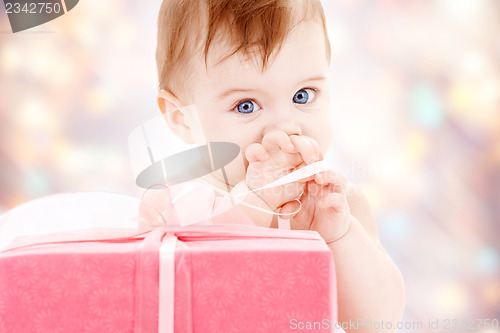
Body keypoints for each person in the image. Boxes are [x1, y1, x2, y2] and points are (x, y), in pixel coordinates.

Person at [143, 0, 405, 331]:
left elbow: (376, 322)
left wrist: (338, 237)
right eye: (246, 106)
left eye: (303, 96)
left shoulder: (340, 206)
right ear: (182, 119)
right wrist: (256, 203)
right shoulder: (175, 206)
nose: (284, 128)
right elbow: (190, 295)